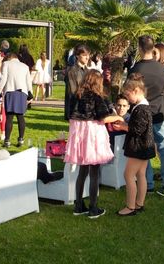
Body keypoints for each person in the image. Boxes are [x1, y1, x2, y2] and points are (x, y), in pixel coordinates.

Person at [66, 70, 123, 219]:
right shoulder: (97, 97)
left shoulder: (75, 95)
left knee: (82, 170)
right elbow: (103, 118)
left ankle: (78, 205)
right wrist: (118, 117)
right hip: (92, 135)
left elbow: (69, 115)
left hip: (79, 135)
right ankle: (93, 208)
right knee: (95, 172)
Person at [128, 36, 164, 195]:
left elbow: (131, 90)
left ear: (140, 48)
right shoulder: (163, 68)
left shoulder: (136, 69)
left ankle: (149, 182)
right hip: (159, 110)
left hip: (141, 111)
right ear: (153, 48)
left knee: (145, 147)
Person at [117, 74, 155, 216]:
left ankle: (130, 206)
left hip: (139, 147)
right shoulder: (142, 107)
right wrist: (125, 124)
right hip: (145, 146)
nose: (127, 98)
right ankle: (139, 203)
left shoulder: (141, 109)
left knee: (128, 175)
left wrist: (123, 127)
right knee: (140, 174)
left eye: (128, 94)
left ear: (136, 91)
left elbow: (137, 129)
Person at [0, 52, 33, 148]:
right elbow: (28, 81)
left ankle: (7, 140)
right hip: (22, 93)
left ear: (9, 58)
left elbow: (3, 79)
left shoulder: (6, 64)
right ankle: (21, 139)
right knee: (20, 117)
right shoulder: (25, 66)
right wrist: (30, 94)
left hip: (10, 91)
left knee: (9, 117)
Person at [64, 45, 89, 120]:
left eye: (88, 55)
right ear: (77, 56)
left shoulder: (87, 70)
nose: (87, 57)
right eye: (84, 55)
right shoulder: (72, 71)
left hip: (86, 107)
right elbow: (73, 91)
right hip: (75, 108)